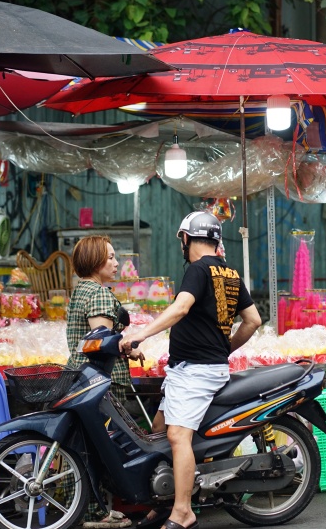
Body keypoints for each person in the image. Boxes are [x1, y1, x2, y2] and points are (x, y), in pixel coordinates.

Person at [127, 211, 262, 529]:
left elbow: (181, 307)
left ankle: (183, 512)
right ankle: (164, 504)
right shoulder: (229, 272)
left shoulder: (198, 270)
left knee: (176, 436)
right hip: (194, 369)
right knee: (158, 431)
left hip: (196, 373)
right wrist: (223, 347)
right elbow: (253, 320)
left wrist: (141, 334)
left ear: (186, 239)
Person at [66, 235, 144, 529]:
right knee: (100, 448)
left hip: (80, 378)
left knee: (85, 447)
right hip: (98, 383)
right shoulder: (99, 294)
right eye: (110, 257)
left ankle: (90, 510)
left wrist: (126, 346)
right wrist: (126, 345)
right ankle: (95, 513)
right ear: (95, 261)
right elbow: (100, 344)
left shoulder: (82, 290)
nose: (116, 262)